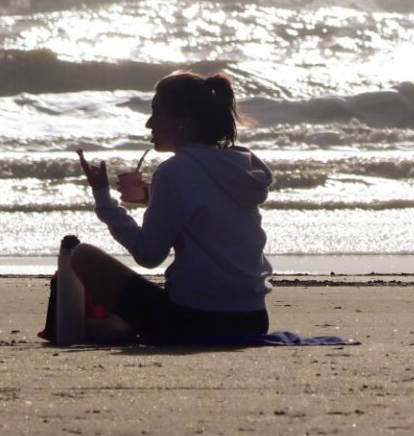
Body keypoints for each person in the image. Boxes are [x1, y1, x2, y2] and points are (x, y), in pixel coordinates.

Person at [72, 70, 273, 342]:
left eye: (157, 113)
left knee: (82, 256)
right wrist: (154, 199)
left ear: (184, 122)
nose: (149, 124)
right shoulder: (237, 167)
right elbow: (208, 211)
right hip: (252, 318)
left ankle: (107, 326)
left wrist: (103, 199)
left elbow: (148, 254)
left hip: (195, 319)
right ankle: (117, 326)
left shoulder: (175, 171)